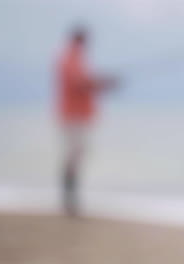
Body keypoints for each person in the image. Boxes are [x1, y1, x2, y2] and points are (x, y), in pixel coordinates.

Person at [56, 26, 116, 216]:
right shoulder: (70, 58)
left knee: (77, 156)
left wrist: (101, 83)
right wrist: (103, 83)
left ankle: (71, 199)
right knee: (74, 156)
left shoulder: (76, 58)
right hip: (74, 116)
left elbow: (84, 83)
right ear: (80, 39)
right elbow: (80, 84)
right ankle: (69, 200)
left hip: (77, 115)